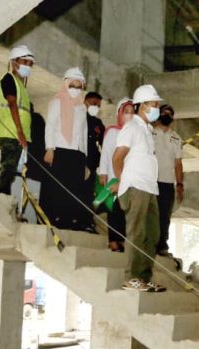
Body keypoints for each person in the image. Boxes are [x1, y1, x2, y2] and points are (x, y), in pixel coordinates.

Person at [112, 85, 166, 293]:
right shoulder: (131, 128)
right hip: (136, 187)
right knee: (137, 232)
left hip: (150, 188)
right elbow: (117, 158)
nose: (157, 108)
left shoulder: (147, 130)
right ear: (141, 105)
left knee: (152, 235)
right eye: (154, 104)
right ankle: (131, 277)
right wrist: (122, 181)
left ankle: (144, 277)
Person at [42, 67, 90, 230]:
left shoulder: (82, 107)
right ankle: (57, 219)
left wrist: (84, 160)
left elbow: (84, 134)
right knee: (59, 186)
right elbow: (50, 126)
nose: (76, 90)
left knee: (74, 188)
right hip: (60, 149)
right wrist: (49, 148)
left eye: (79, 86)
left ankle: (70, 220)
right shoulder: (57, 101)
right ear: (66, 84)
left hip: (77, 153)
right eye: (72, 85)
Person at [0, 45, 34, 196]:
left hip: (16, 135)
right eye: (25, 62)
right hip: (11, 133)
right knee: (8, 169)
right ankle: (1, 201)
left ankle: (3, 199)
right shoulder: (8, 79)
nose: (28, 66)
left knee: (10, 172)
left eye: (30, 63)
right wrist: (20, 131)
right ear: (14, 62)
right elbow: (11, 104)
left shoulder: (22, 86)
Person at [98, 97, 134, 252]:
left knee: (127, 211)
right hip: (114, 176)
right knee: (114, 211)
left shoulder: (135, 133)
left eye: (132, 112)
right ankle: (113, 242)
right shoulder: (113, 131)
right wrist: (103, 173)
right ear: (120, 113)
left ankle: (122, 240)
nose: (129, 115)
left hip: (131, 178)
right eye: (126, 112)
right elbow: (106, 153)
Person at [152, 104, 184, 257]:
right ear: (158, 115)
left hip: (167, 182)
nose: (167, 115)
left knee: (165, 215)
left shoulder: (176, 138)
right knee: (149, 213)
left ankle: (162, 245)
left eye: (170, 113)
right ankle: (147, 243)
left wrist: (180, 184)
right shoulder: (149, 132)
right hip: (150, 180)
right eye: (164, 112)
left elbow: (178, 163)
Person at [84, 91, 105, 233]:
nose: (95, 106)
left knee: (89, 194)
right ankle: (75, 220)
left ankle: (87, 221)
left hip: (92, 164)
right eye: (92, 103)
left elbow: (104, 144)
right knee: (77, 191)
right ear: (85, 102)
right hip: (79, 162)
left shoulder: (98, 124)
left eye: (98, 105)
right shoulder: (78, 118)